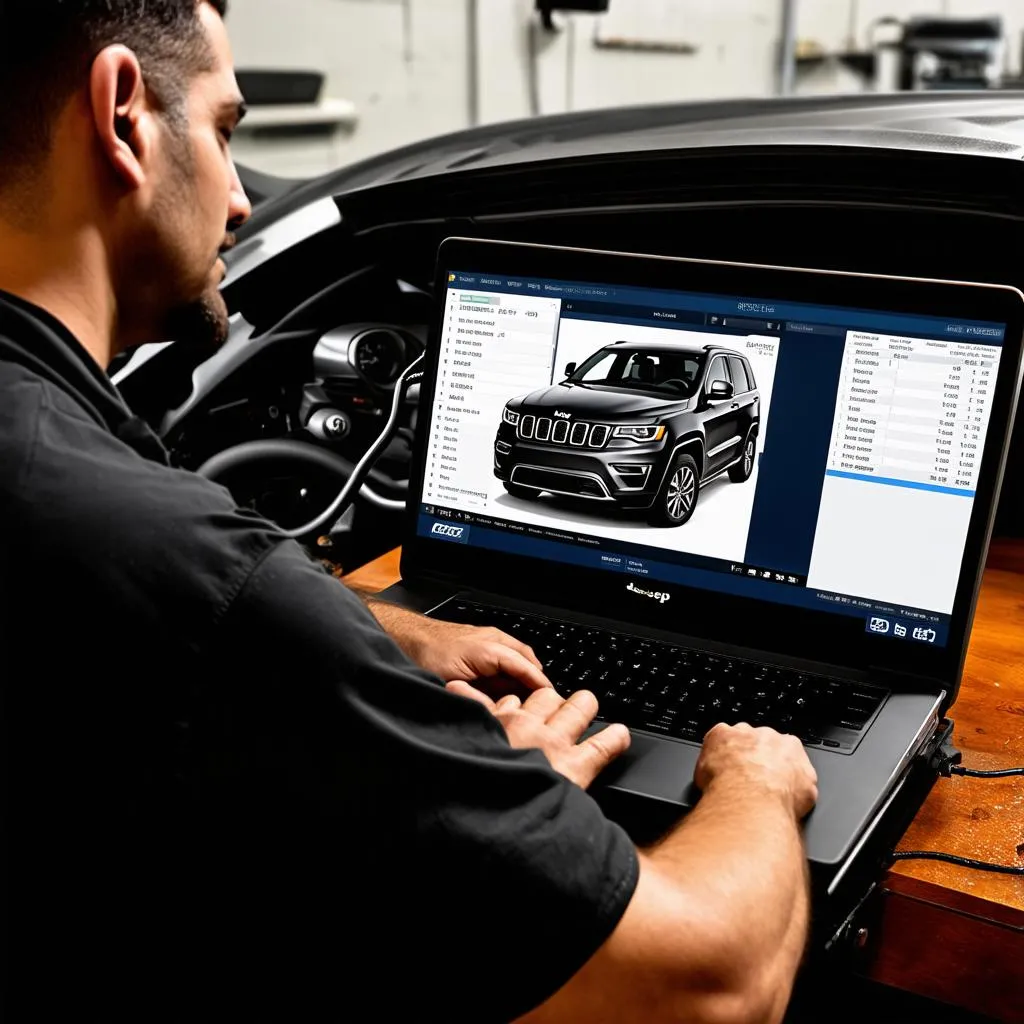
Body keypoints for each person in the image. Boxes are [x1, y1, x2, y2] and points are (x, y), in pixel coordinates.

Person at [0, 2, 818, 1021]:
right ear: (125, 117)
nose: (243, 199)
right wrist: (755, 778)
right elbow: (714, 985)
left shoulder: (60, 471)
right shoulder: (184, 569)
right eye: (224, 128)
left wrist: (373, 635)